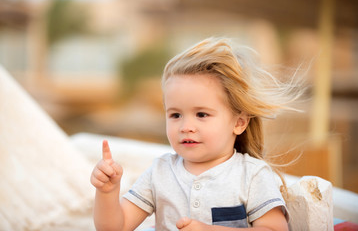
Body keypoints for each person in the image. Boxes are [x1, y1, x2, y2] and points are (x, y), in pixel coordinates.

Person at [90, 37, 304, 230]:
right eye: (175, 115)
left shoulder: (252, 175)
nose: (186, 127)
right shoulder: (160, 172)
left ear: (239, 123)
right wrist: (108, 192)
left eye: (201, 114)